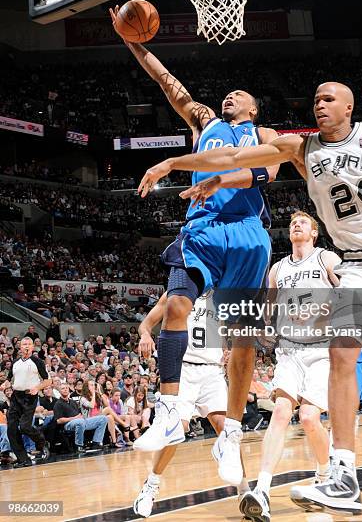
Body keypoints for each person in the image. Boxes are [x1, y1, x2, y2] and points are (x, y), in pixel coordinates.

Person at [139, 81, 362, 515]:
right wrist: (176, 161)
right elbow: (232, 158)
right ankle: (343, 473)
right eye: (315, 100)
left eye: (328, 99)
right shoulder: (300, 149)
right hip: (360, 265)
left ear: (349, 106)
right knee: (343, 353)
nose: (319, 105)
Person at [111, 5, 279, 486]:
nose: (230, 96)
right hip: (202, 226)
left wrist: (220, 177)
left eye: (239, 94)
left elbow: (267, 172)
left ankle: (232, 432)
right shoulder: (202, 120)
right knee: (178, 303)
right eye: (228, 93)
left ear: (252, 108)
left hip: (246, 233)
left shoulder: (264, 134)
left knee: (243, 343)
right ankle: (167, 405)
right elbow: (168, 82)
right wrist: (132, 42)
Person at [240, 211, 340, 522]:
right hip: (289, 350)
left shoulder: (327, 259)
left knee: (310, 418)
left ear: (314, 233)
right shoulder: (278, 269)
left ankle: (325, 475)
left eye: (303, 223)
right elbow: (268, 309)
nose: (296, 225)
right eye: (293, 223)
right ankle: (263, 489)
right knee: (282, 411)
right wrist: (263, 326)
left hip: (322, 350)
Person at [133, 291, 250, 517]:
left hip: (213, 372)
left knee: (227, 429)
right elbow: (146, 324)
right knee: (177, 429)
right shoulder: (180, 290)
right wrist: (145, 335)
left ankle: (244, 491)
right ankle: (151, 486)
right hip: (183, 369)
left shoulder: (225, 294)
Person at [5, 337, 51, 467]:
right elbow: (10, 379)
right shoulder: (15, 362)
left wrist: (37, 388)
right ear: (20, 347)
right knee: (12, 430)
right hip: (16, 396)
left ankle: (41, 441)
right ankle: (23, 459)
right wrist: (4, 385)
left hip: (29, 397)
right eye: (24, 344)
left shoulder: (38, 361)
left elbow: (48, 381)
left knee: (25, 427)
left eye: (28, 344)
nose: (26, 346)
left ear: (32, 347)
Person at [53, 383, 108, 453]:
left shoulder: (73, 402)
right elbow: (59, 420)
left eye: (66, 388)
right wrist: (74, 418)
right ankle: (78, 446)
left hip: (81, 420)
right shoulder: (58, 404)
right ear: (59, 391)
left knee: (103, 418)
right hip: (68, 425)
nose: (65, 390)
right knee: (80, 422)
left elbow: (80, 413)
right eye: (63, 388)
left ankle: (96, 442)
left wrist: (81, 416)